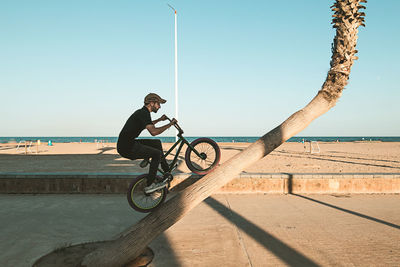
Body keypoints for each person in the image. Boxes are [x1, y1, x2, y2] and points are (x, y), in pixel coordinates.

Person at [117, 93, 177, 193]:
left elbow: (148, 124)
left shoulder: (143, 113)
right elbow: (153, 132)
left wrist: (160, 120)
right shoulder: (143, 113)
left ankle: (166, 171)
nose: (160, 106)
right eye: (158, 104)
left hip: (128, 143)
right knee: (156, 154)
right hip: (127, 147)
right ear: (152, 103)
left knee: (156, 143)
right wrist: (170, 124)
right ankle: (150, 185)